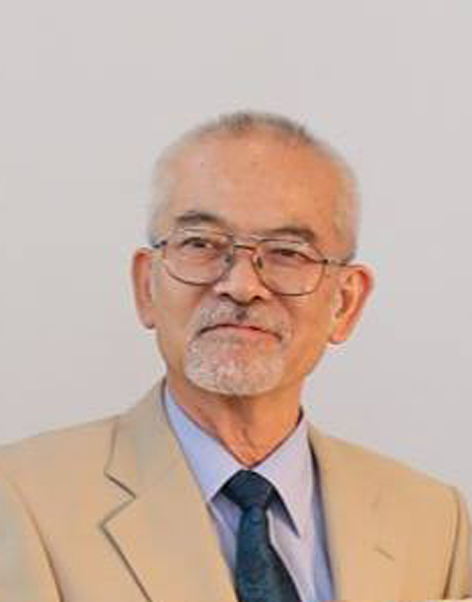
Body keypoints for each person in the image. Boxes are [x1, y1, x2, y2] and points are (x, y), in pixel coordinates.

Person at [0, 112, 470, 602]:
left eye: (288, 252)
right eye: (201, 244)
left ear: (346, 303)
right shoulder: (21, 501)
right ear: (146, 286)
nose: (242, 286)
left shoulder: (435, 522)